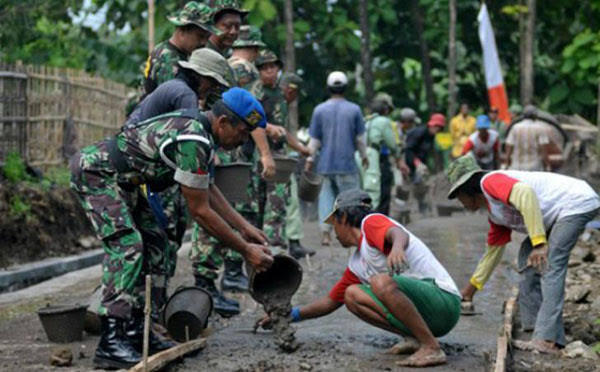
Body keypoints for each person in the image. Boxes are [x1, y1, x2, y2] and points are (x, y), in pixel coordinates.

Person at [70, 88, 273, 369]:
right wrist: (245, 249)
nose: (241, 142)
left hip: (123, 181)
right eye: (241, 133)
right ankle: (111, 341)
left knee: (158, 246)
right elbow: (200, 211)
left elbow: (208, 188)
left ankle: (137, 330)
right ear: (223, 123)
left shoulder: (201, 134)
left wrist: (245, 227)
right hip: (97, 173)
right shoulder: (194, 139)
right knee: (128, 247)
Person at [258, 189, 461, 367]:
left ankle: (431, 347)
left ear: (344, 218)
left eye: (334, 224)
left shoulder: (370, 223)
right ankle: (416, 338)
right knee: (351, 296)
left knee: (379, 282)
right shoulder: (357, 263)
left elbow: (396, 232)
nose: (334, 232)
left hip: (444, 301)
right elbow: (329, 302)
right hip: (427, 316)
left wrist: (397, 249)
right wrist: (287, 315)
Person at [446, 154, 600, 354]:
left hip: (576, 202)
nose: (461, 203)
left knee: (550, 263)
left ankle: (548, 339)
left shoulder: (491, 182)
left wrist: (539, 243)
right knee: (525, 260)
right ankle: (535, 326)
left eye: (459, 197)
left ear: (467, 190)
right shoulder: (495, 215)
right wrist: (470, 291)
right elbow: (491, 255)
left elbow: (526, 194)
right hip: (556, 214)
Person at [125, 48, 235, 318]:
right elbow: (189, 151)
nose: (213, 91)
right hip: (138, 171)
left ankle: (149, 312)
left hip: (143, 168)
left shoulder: (175, 88)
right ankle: (138, 313)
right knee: (154, 243)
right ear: (202, 78)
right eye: (214, 84)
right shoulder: (184, 96)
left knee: (156, 244)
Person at [249, 50, 311, 252]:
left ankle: (275, 248)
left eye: (273, 67)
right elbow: (251, 121)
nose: (269, 72)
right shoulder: (255, 93)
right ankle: (259, 248)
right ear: (258, 71)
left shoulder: (280, 95)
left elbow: (282, 131)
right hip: (257, 154)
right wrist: (268, 130)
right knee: (256, 206)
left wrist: (302, 148)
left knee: (278, 203)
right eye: (264, 68)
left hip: (278, 155)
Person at [306, 71, 367, 246]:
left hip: (325, 165)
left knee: (326, 199)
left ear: (328, 88)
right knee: (350, 200)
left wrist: (310, 161)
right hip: (347, 163)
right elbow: (360, 139)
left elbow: (314, 141)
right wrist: (364, 156)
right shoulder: (354, 109)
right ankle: (352, 233)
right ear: (345, 88)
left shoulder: (319, 110)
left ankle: (326, 234)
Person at [140, 2, 218, 98]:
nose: (203, 42)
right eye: (200, 36)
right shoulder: (169, 60)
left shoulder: (166, 49)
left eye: (207, 37)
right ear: (182, 31)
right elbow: (172, 101)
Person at [280, 72, 316, 259]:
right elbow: (280, 133)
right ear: (290, 90)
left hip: (278, 157)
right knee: (285, 201)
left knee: (291, 200)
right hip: (273, 159)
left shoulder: (280, 104)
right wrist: (301, 147)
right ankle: (285, 244)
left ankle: (293, 242)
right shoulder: (276, 101)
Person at [363, 93, 401, 215]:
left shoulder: (367, 121)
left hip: (363, 155)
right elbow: (392, 144)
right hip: (377, 157)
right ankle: (380, 219)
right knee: (382, 189)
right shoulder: (384, 121)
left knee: (367, 187)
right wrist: (398, 156)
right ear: (385, 110)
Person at [404, 113, 446, 214]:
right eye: (436, 127)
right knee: (406, 187)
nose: (437, 130)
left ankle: (421, 208)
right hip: (408, 161)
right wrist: (416, 162)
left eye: (439, 128)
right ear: (431, 125)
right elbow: (408, 149)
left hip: (420, 162)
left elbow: (427, 152)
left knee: (421, 184)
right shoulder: (419, 132)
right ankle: (406, 210)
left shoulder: (431, 136)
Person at [505, 105, 551, 171]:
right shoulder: (540, 128)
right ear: (535, 115)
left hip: (516, 166)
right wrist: (547, 165)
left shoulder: (515, 127)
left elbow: (509, 145)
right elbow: (543, 149)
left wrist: (507, 162)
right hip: (534, 167)